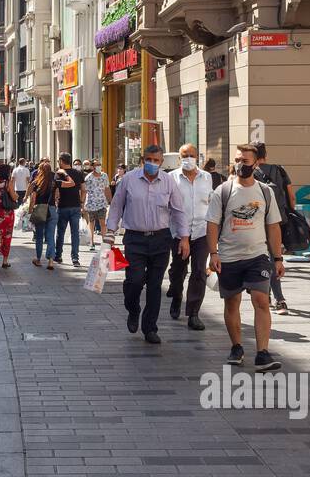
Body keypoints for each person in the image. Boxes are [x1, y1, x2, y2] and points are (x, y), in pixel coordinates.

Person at [206, 148, 287, 372]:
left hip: (258, 257)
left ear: (256, 163)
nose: (241, 164)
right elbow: (212, 224)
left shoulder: (265, 192)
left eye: (246, 160)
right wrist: (213, 253)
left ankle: (262, 353)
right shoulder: (222, 191)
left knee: (261, 301)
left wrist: (278, 258)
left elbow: (273, 226)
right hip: (229, 257)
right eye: (238, 160)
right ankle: (237, 347)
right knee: (232, 303)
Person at [103, 145, 191, 345]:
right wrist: (110, 232)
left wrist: (184, 238)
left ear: (161, 162)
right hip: (135, 239)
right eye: (148, 159)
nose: (152, 163)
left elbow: (178, 211)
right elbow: (117, 206)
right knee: (134, 281)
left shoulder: (168, 182)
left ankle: (150, 327)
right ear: (142, 160)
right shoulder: (129, 180)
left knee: (154, 285)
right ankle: (133, 310)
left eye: (156, 160)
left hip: (161, 239)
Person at [168, 144, 213, 330]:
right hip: (178, 232)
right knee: (178, 270)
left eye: (192, 155)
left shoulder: (207, 177)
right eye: (184, 155)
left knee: (199, 271)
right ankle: (177, 295)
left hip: (202, 232)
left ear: (198, 157)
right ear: (179, 158)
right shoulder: (171, 178)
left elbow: (211, 203)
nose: (188, 158)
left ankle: (193, 313)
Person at [243, 143, 292, 314]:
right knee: (272, 259)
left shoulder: (249, 173)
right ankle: (271, 296)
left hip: (257, 223)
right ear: (266, 155)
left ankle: (278, 299)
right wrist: (289, 214)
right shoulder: (279, 170)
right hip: (278, 221)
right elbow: (290, 195)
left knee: (269, 260)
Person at [53, 154, 85, 267]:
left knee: (60, 232)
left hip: (63, 206)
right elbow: (84, 189)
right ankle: (75, 258)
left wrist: (56, 200)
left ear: (61, 161)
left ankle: (58, 255)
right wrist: (81, 202)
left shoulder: (59, 173)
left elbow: (56, 190)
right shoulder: (78, 173)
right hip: (76, 206)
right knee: (75, 233)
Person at [28, 162, 59, 269]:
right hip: (52, 209)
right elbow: (57, 196)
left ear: (40, 170)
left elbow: (33, 198)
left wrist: (30, 209)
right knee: (50, 236)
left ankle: (38, 259)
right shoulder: (54, 182)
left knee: (39, 236)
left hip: (40, 208)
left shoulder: (37, 182)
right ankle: (51, 261)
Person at [81, 160, 111, 252]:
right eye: (96, 165)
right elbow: (84, 191)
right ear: (92, 166)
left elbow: (107, 188)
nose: (98, 166)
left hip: (102, 203)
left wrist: (111, 200)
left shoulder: (104, 176)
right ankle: (92, 242)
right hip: (91, 203)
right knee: (91, 223)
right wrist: (82, 204)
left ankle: (104, 243)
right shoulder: (88, 178)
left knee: (103, 223)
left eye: (99, 164)